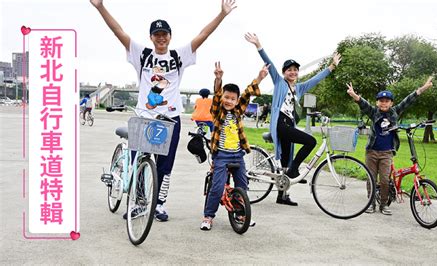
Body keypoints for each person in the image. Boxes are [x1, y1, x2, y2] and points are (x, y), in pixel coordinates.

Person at [91, 0, 237, 221]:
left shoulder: (179, 56)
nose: (161, 38)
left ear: (170, 36)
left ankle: (158, 204)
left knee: (165, 165)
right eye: (156, 34)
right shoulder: (142, 54)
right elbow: (117, 30)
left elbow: (203, 34)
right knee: (139, 160)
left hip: (170, 118)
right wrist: (100, 7)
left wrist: (222, 15)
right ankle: (139, 203)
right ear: (151, 37)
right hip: (145, 116)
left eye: (164, 34)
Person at [245, 33, 341, 206]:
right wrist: (258, 45)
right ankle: (295, 169)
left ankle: (282, 196)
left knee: (284, 162)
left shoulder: (300, 87)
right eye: (289, 69)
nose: (293, 72)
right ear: (284, 72)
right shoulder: (279, 83)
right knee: (310, 141)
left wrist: (332, 67)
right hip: (280, 124)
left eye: (295, 69)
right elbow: (270, 64)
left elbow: (317, 78)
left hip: (289, 123)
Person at [346, 76, 433, 215]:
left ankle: (384, 205)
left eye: (387, 101)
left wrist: (423, 88)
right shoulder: (374, 112)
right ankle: (371, 204)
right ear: (377, 102)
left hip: (387, 152)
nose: (384, 103)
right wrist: (354, 95)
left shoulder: (395, 112)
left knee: (385, 180)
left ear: (391, 103)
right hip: (372, 151)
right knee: (371, 178)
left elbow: (408, 100)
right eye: (381, 101)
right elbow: (363, 104)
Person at [200, 62, 269, 230]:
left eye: (233, 99)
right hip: (221, 155)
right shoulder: (218, 112)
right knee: (217, 188)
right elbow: (216, 96)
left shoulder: (238, 111)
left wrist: (259, 78)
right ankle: (208, 216)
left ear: (237, 101)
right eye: (227, 97)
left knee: (242, 186)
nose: (229, 101)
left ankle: (240, 214)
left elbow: (247, 94)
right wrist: (218, 79)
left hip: (237, 155)